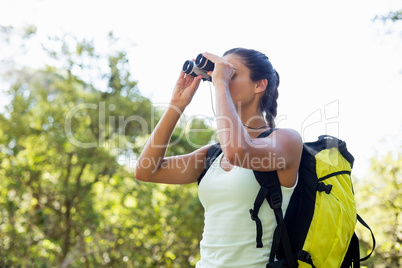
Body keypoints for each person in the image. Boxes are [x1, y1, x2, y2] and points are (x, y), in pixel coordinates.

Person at [135, 48, 303, 267]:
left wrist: (221, 84)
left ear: (259, 85)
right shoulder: (213, 154)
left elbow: (238, 152)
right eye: (218, 73)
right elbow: (146, 170)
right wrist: (176, 105)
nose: (218, 78)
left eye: (230, 72)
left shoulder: (286, 141)